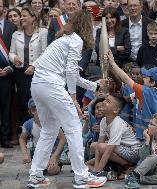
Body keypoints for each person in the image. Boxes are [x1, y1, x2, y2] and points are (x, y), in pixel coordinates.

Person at [27, 10, 107, 188]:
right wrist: (73, 97)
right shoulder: (76, 40)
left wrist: (95, 86)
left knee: (49, 131)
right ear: (86, 25)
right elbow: (71, 72)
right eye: (92, 24)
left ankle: (35, 176)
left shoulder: (63, 40)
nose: (94, 28)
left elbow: (74, 75)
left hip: (38, 86)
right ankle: (82, 177)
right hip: (51, 86)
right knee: (74, 128)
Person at [9, 6, 48, 126]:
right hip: (21, 74)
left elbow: (45, 53)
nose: (21, 18)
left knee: (37, 102)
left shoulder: (43, 32)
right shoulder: (16, 34)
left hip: (37, 73)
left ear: (33, 17)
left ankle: (39, 130)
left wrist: (34, 66)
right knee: (24, 102)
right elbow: (11, 52)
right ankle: (26, 129)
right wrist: (14, 58)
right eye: (21, 16)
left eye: (24, 15)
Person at [89, 94, 141, 173]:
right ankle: (101, 168)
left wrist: (97, 170)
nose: (103, 102)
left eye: (108, 101)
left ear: (116, 110)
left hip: (133, 151)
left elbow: (108, 150)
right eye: (105, 99)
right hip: (121, 148)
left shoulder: (117, 123)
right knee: (94, 146)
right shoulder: (104, 120)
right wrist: (95, 165)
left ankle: (128, 165)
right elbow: (98, 146)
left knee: (102, 147)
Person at [19, 98, 66, 176]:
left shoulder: (52, 123)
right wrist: (25, 154)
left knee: (51, 171)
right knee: (36, 171)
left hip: (51, 154)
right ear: (33, 111)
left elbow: (63, 138)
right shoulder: (28, 124)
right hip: (37, 155)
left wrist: (54, 156)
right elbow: (22, 138)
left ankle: (58, 163)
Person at [0, 0, 17, 148]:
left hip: (7, 73)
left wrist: (10, 67)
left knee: (6, 106)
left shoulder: (12, 27)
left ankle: (5, 137)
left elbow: (14, 50)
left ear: (4, 9)